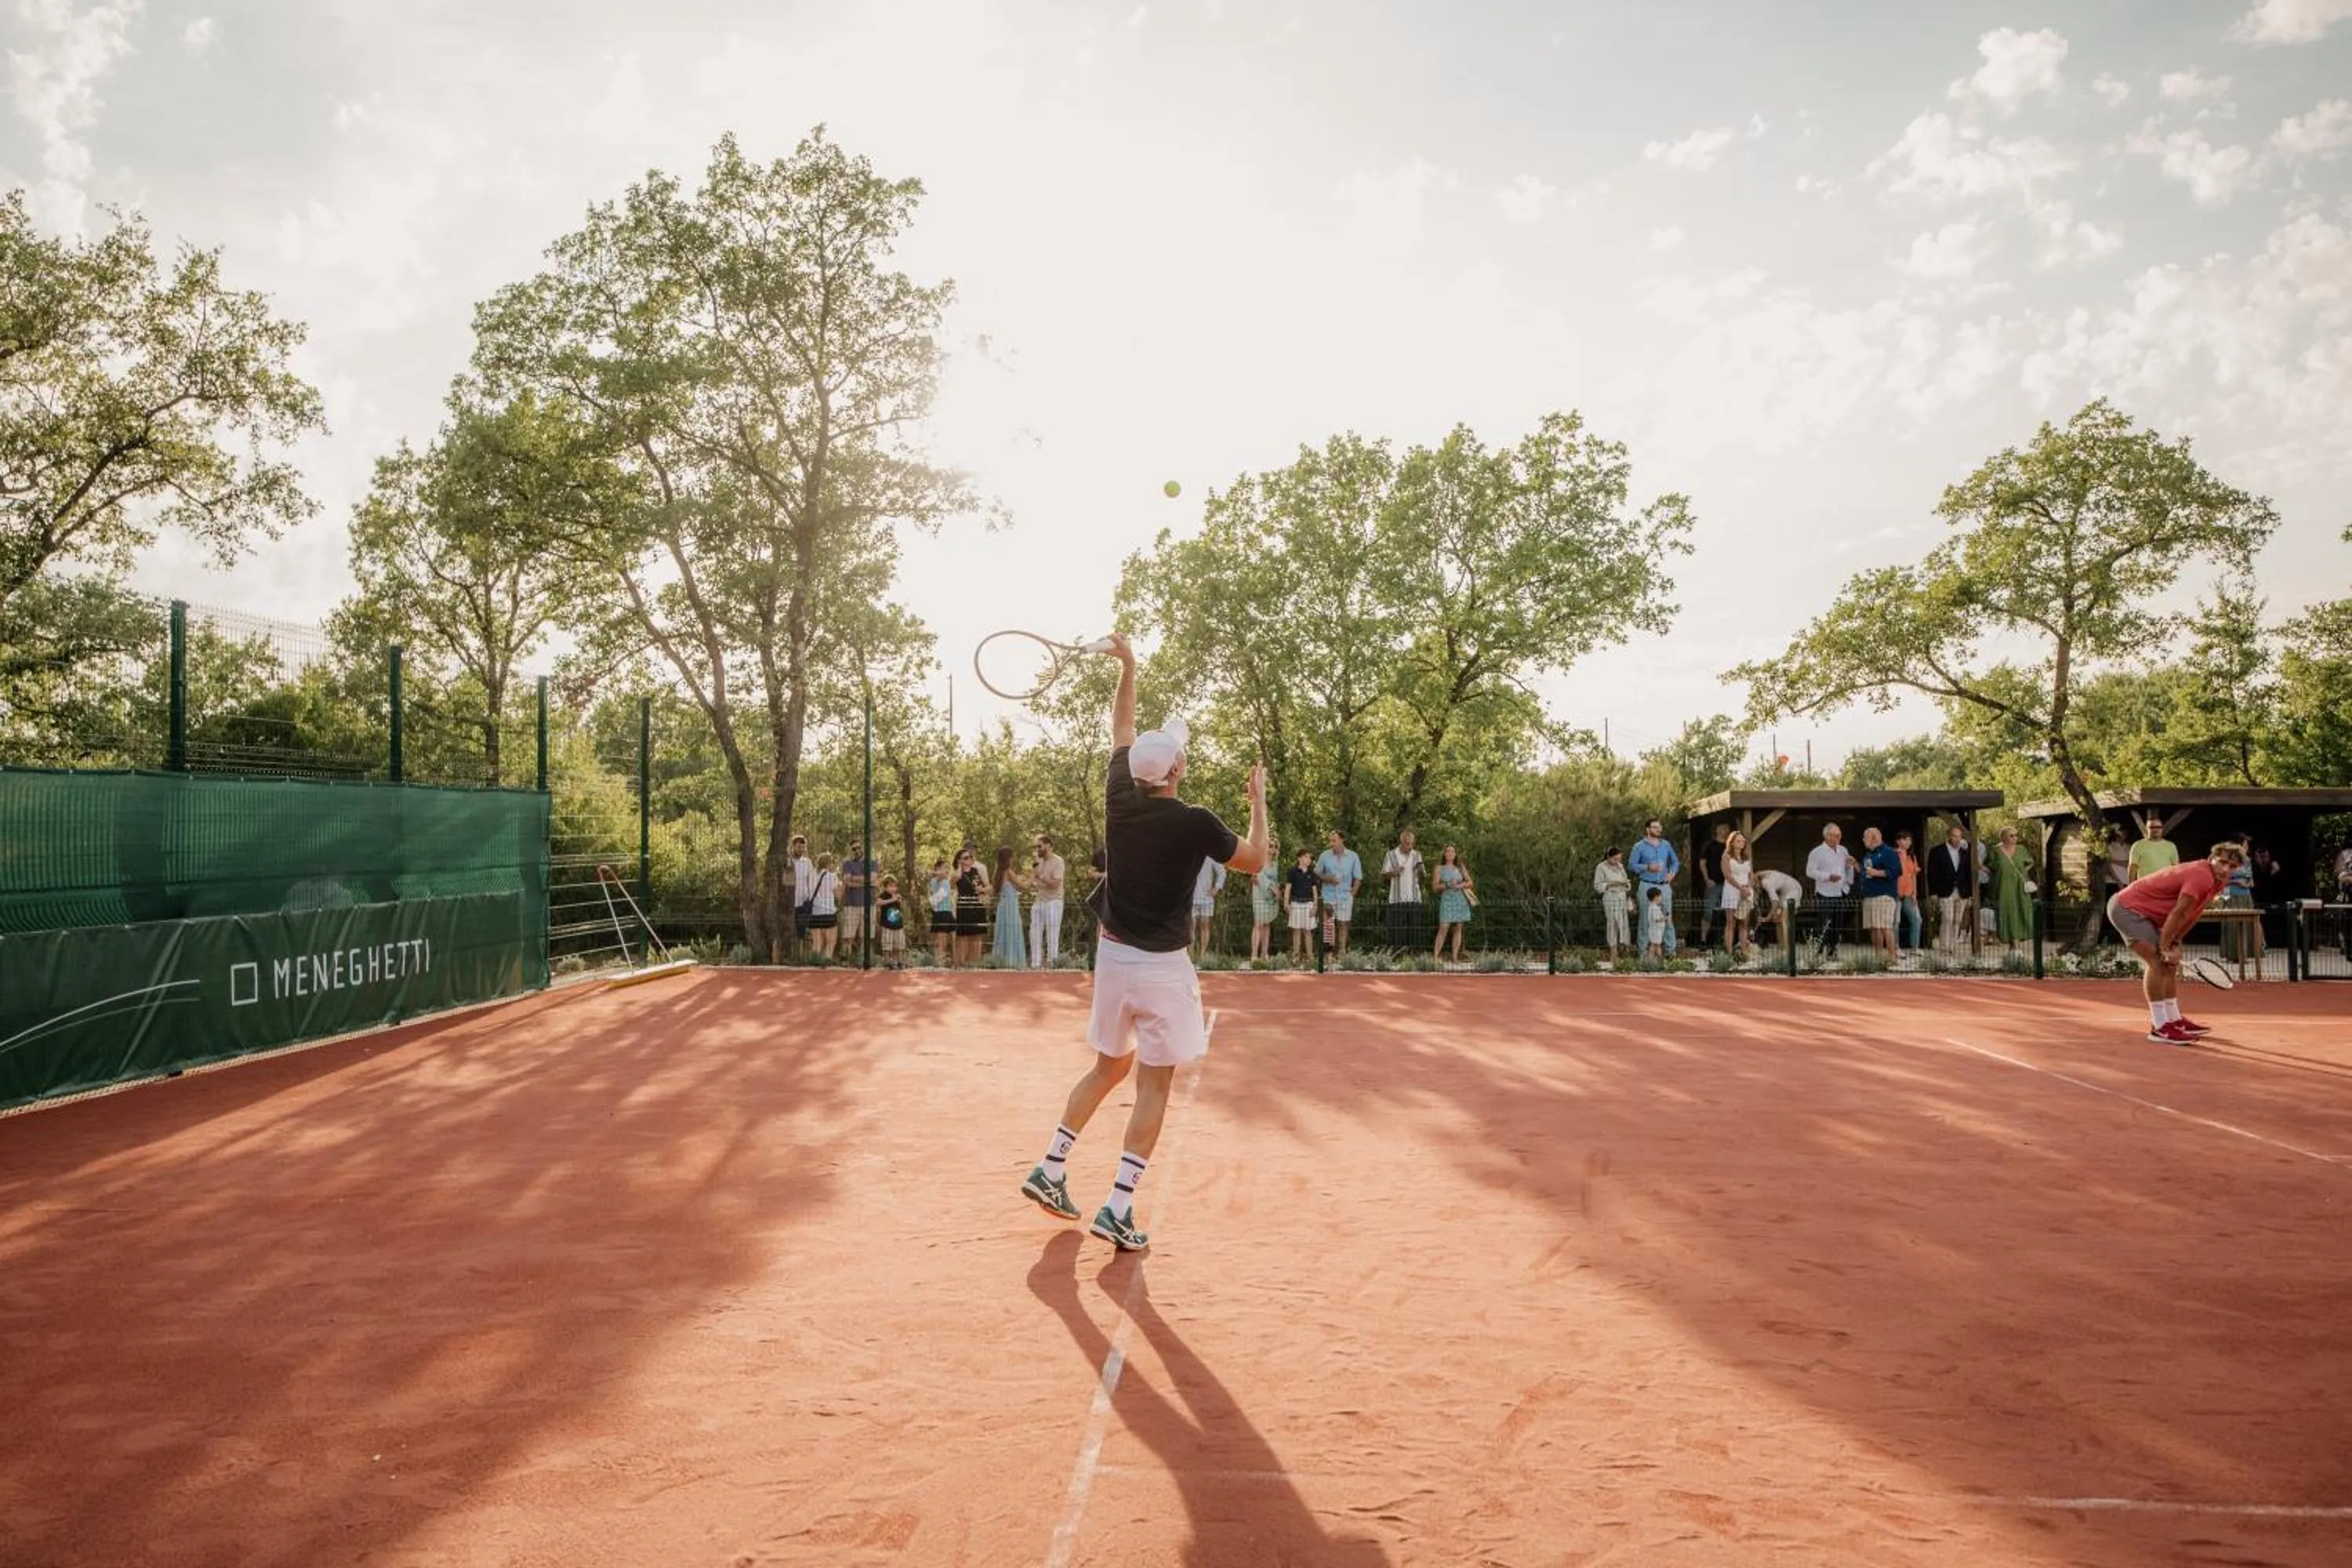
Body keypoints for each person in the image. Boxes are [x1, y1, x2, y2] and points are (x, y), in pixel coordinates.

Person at [1019, 635, 1268, 1252]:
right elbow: (1257, 860)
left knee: (1108, 1067)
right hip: (1162, 969)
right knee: (1153, 1084)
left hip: (1112, 957)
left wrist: (1127, 665)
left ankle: (1051, 1168)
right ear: (1178, 772)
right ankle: (1119, 1207)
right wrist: (1260, 802)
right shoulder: (1196, 822)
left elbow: (1121, 726)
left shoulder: (1117, 798)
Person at [2109, 840, 2245, 1044]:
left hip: (2147, 914)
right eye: (2222, 862)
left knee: (2169, 965)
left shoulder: (2219, 880)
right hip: (2127, 909)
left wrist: (2175, 943)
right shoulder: (2202, 876)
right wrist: (2164, 947)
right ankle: (2160, 1027)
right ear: (2212, 858)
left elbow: (2193, 913)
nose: (2226, 869)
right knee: (2157, 962)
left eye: (2232, 867)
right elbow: (2179, 912)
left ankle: (2174, 1020)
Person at [1628, 819, 1681, 955]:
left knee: (1668, 918)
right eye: (1655, 827)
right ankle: (1643, 953)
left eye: (1660, 827)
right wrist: (1647, 867)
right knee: (1645, 919)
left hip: (1664, 886)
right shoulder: (1639, 846)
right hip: (1647, 885)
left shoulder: (1666, 845)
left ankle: (1670, 952)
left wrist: (1672, 873)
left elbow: (1675, 862)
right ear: (1648, 829)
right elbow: (1632, 865)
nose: (1658, 830)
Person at [1804, 824, 1856, 957]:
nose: (1839, 837)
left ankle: (1833, 952)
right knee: (1823, 924)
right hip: (1824, 893)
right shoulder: (1817, 852)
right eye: (1836, 835)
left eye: (1840, 835)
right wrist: (1827, 877)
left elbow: (1848, 867)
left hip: (1840, 892)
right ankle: (1819, 952)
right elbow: (1810, 872)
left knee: (1838, 925)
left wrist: (1848, 883)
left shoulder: (1843, 850)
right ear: (1827, 836)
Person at [1858, 826, 1903, 960]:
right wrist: (1856, 865)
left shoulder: (1888, 852)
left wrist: (1877, 873)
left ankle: (1892, 957)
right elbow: (1866, 872)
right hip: (1869, 896)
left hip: (1884, 895)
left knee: (1884, 927)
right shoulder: (1869, 854)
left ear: (1873, 838)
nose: (1863, 840)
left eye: (1865, 837)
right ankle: (1878, 958)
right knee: (1874, 928)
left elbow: (1896, 871)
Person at [1926, 824, 1971, 952]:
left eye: (1959, 837)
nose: (1957, 839)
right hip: (1944, 890)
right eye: (1954, 836)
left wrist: (1969, 894)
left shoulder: (1965, 853)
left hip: (1962, 891)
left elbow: (1968, 874)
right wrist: (1933, 892)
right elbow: (1932, 873)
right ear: (1948, 836)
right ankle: (1944, 947)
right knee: (1947, 918)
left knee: (1957, 920)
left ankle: (1953, 946)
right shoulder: (1937, 851)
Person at [1316, 832, 1363, 955]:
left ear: (1342, 840)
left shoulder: (1353, 856)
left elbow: (1358, 877)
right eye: (1330, 841)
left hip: (1345, 896)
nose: (1331, 844)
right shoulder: (1324, 856)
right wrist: (1330, 879)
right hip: (1328, 895)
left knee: (1343, 924)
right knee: (1329, 925)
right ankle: (1329, 954)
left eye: (1334, 841)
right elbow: (1317, 873)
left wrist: (1353, 893)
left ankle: (1342, 952)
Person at [1987, 826, 2034, 946]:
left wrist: (2024, 872)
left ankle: (2017, 942)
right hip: (2004, 887)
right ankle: (2011, 942)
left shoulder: (2021, 849)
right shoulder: (1995, 851)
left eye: (2016, 835)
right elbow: (1989, 868)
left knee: (2021, 910)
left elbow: (2030, 862)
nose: (2015, 838)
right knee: (2006, 912)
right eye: (2011, 835)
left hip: (2019, 887)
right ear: (2003, 837)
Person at [1029, 833, 1067, 969]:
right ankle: (1035, 964)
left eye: (1039, 846)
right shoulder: (1038, 861)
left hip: (1054, 901)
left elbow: (1055, 884)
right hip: (1039, 900)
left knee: (1052, 934)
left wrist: (1041, 876)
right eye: (1035, 846)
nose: (1037, 849)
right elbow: (1033, 881)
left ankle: (1052, 965)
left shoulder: (1058, 861)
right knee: (1034, 933)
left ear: (1048, 846)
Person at [1382, 830, 1425, 951]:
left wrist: (1420, 870)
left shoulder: (1417, 855)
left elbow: (1422, 877)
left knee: (1414, 930)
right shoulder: (1391, 855)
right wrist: (1395, 872)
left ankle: (1414, 957)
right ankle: (1396, 956)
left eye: (1411, 844)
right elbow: (1384, 875)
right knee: (1396, 930)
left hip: (1414, 898)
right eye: (1407, 844)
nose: (1410, 847)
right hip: (1396, 899)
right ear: (1401, 842)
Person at [1432, 844, 1473, 962]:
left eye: (1452, 851)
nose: (1450, 853)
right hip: (1447, 899)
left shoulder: (1460, 867)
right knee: (1444, 927)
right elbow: (1435, 887)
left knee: (1458, 927)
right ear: (1444, 854)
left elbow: (1470, 882)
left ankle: (1454, 957)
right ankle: (1435, 957)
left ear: (1455, 854)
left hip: (1460, 899)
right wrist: (1448, 884)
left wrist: (1460, 885)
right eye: (1447, 851)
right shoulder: (1439, 868)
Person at [1719, 830, 1755, 956]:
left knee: (1744, 923)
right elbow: (1727, 875)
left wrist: (1748, 889)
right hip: (1732, 891)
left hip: (1746, 892)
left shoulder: (1747, 857)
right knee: (1731, 923)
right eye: (1739, 841)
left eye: (1743, 841)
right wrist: (1740, 888)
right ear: (1732, 843)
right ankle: (1729, 953)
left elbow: (1751, 875)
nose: (1742, 844)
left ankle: (1744, 953)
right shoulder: (1726, 856)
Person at [953, 846, 989, 967]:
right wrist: (959, 865)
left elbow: (990, 887)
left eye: (970, 857)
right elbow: (955, 879)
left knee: (977, 935)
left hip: (977, 904)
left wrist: (982, 889)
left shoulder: (977, 871)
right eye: (966, 857)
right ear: (960, 860)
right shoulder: (957, 873)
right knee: (963, 936)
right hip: (964, 905)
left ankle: (975, 962)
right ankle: (961, 963)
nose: (970, 859)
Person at [1593, 848, 1632, 960]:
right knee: (1612, 923)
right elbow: (1598, 886)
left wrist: (1626, 885)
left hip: (1621, 897)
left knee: (1623, 924)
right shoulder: (1601, 867)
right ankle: (1613, 952)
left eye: (1619, 859)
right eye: (1615, 859)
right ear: (1609, 857)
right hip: (1610, 897)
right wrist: (1612, 884)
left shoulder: (1620, 867)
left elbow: (1626, 882)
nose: (1617, 861)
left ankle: (1625, 950)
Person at [840, 838, 876, 960]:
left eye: (859, 847)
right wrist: (867, 882)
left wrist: (854, 879)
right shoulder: (847, 863)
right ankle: (846, 961)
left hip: (869, 904)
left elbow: (873, 877)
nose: (857, 850)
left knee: (866, 936)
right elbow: (846, 881)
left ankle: (864, 961)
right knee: (848, 936)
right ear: (851, 850)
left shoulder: (872, 861)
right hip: (851, 904)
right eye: (854, 849)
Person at [991, 845, 1027, 965]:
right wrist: (1033, 878)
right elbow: (1023, 887)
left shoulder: (998, 873)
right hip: (1010, 906)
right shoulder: (1009, 872)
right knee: (1012, 931)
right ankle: (1013, 961)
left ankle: (1001, 960)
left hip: (1003, 905)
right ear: (1008, 858)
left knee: (1003, 932)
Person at [1249, 839, 1282, 960]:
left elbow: (1276, 880)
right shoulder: (1259, 861)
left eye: (1275, 847)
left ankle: (1264, 954)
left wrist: (1277, 891)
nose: (1273, 849)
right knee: (1258, 924)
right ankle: (1254, 955)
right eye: (1270, 846)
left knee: (1267, 924)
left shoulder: (1275, 863)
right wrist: (1272, 887)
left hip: (1271, 897)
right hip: (1259, 893)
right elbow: (1257, 876)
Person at [1697, 822, 1729, 949]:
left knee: (1727, 914)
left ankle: (1723, 941)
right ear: (1716, 830)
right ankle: (1703, 941)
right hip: (1713, 884)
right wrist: (1707, 879)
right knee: (1708, 913)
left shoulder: (1730, 847)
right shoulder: (1709, 845)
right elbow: (1702, 863)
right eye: (1721, 828)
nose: (1724, 830)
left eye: (1726, 828)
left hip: (1728, 885)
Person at [1286, 848, 1319, 962]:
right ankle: (1296, 956)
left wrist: (1315, 906)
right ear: (1299, 858)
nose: (1309, 859)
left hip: (1308, 904)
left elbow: (1315, 892)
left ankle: (1310, 957)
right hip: (1295, 903)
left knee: (1308, 931)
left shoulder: (1312, 874)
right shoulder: (1292, 872)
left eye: (1310, 857)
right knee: (1296, 931)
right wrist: (1286, 904)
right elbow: (1288, 889)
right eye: (1306, 857)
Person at [1189, 855, 1226, 959]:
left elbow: (1222, 872)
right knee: (1191, 926)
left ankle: (1202, 956)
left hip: (1207, 897)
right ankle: (1191, 957)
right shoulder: (1189, 851)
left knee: (1205, 925)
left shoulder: (1211, 854)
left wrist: (1216, 888)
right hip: (1191, 897)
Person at [806, 852, 841, 959]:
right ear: (829, 863)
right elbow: (838, 895)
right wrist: (841, 885)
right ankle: (826, 963)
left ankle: (815, 962)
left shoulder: (811, 876)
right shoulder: (832, 876)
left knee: (817, 943)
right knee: (831, 943)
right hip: (828, 912)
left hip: (815, 912)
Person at [1758, 868, 1803, 949]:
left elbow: (1775, 903)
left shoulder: (1765, 882)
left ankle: (1787, 948)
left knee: (1783, 920)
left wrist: (1767, 918)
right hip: (1784, 893)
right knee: (1778, 920)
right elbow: (1775, 901)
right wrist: (1774, 914)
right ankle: (1781, 946)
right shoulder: (1763, 875)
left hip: (1793, 890)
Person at [1894, 831, 1923, 952]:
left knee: (1917, 919)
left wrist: (1915, 893)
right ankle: (1895, 947)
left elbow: (1914, 876)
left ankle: (1915, 947)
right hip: (1896, 894)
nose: (1909, 842)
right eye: (1906, 839)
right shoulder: (1893, 854)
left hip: (1909, 893)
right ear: (1898, 841)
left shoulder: (1912, 856)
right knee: (1896, 921)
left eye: (1910, 840)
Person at [2127, 816, 2178, 882]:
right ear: (2146, 829)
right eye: (2152, 827)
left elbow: (2175, 868)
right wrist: (2131, 887)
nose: (2155, 830)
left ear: (2162, 829)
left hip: (2165, 885)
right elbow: (2133, 867)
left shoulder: (2171, 846)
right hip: (2145, 885)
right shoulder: (2138, 845)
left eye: (2158, 827)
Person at [789, 833, 816, 951]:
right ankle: (791, 953)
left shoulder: (807, 862)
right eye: (798, 846)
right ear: (793, 846)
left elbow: (811, 880)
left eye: (802, 847)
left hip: (803, 902)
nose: (800, 849)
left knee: (802, 930)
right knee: (789, 929)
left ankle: (800, 954)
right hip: (789, 902)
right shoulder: (787, 861)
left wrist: (810, 897)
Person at [926, 858, 954, 964]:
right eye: (944, 868)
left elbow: (937, 898)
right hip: (938, 913)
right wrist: (936, 873)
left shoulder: (946, 882)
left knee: (944, 937)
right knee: (938, 938)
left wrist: (932, 901)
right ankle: (939, 958)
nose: (946, 870)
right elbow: (934, 899)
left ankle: (942, 958)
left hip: (945, 912)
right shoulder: (934, 881)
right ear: (937, 869)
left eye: (947, 868)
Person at [876, 875, 907, 970]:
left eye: (895, 886)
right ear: (885, 887)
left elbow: (903, 909)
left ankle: (900, 962)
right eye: (891, 886)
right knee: (887, 944)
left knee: (899, 945)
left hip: (898, 925)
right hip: (887, 925)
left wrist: (900, 902)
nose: (893, 888)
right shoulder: (883, 895)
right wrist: (891, 900)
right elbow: (878, 902)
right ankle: (887, 962)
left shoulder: (898, 896)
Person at [1641, 884, 1670, 959]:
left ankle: (1651, 960)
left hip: (1656, 931)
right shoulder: (1654, 908)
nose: (1661, 898)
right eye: (1660, 896)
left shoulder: (1654, 907)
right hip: (1655, 931)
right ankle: (1660, 960)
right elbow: (1656, 919)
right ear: (1656, 897)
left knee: (1654, 946)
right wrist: (1665, 918)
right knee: (1656, 945)